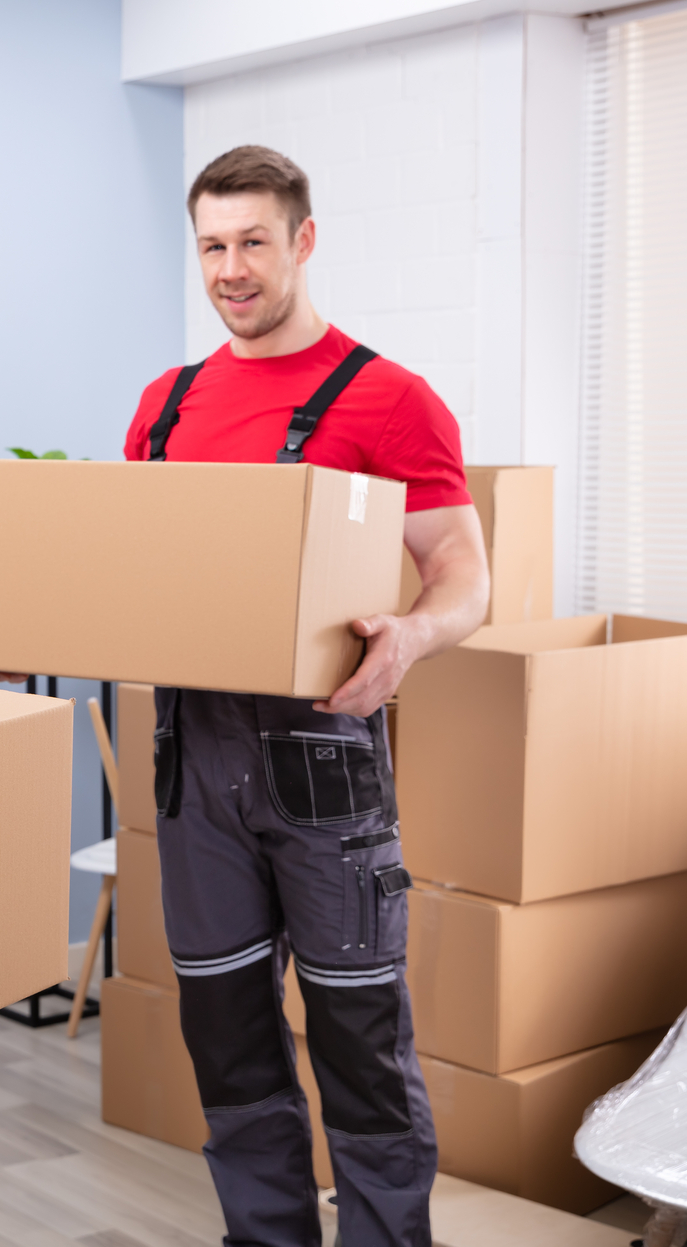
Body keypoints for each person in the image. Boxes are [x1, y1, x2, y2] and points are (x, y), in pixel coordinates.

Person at [137, 145, 490, 1246]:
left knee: (357, 1048)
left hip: (321, 760)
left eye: (251, 242)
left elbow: (466, 578)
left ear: (301, 240)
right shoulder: (167, 404)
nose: (229, 268)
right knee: (229, 1043)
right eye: (209, 245)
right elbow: (134, 570)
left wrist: (413, 636)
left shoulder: (386, 399)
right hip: (193, 759)